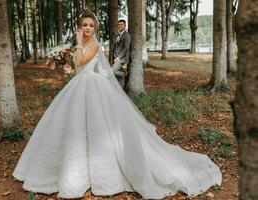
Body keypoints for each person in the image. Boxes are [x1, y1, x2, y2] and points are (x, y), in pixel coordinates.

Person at [13, 10, 222, 199]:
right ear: (80, 26)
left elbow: (84, 58)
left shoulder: (93, 45)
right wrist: (66, 66)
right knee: (72, 128)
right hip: (78, 86)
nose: (87, 28)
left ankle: (104, 174)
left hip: (94, 87)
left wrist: (76, 46)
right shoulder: (78, 45)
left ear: (94, 28)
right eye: (84, 25)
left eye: (91, 25)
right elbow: (77, 67)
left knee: (100, 128)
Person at [112, 20, 131, 89]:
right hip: (116, 58)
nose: (119, 26)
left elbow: (126, 48)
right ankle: (120, 92)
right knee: (119, 78)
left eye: (121, 25)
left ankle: (125, 74)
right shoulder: (118, 35)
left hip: (122, 59)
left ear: (125, 26)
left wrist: (118, 58)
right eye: (118, 25)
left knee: (111, 72)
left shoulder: (127, 35)